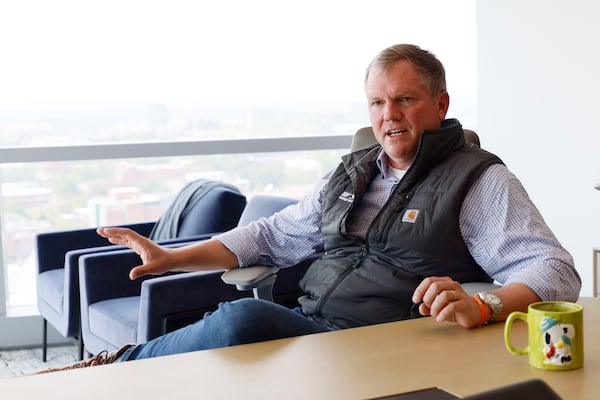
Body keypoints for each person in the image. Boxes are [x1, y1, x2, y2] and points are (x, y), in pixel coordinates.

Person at [42, 43, 580, 371]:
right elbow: (273, 236)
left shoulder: (476, 179)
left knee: (245, 318)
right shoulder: (353, 172)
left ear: (440, 104)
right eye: (377, 102)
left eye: (405, 99)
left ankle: (117, 368)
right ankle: (127, 373)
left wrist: (482, 304)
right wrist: (174, 257)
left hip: (393, 341)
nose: (388, 114)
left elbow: (554, 271)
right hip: (321, 328)